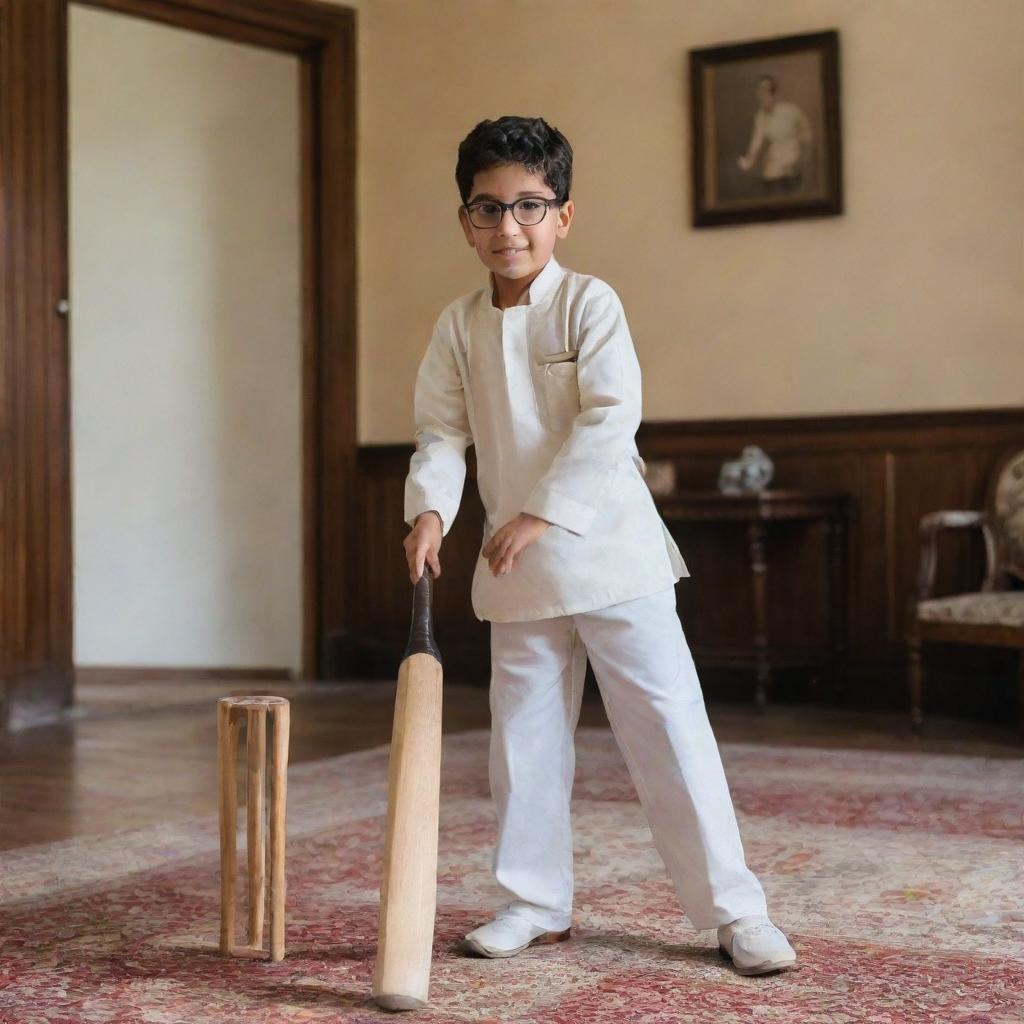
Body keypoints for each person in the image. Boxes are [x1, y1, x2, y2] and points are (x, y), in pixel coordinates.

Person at [402, 115, 797, 976]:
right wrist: (430, 512)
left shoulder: (591, 303)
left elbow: (611, 418)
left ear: (563, 216)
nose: (508, 227)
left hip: (611, 555)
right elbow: (440, 433)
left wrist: (541, 514)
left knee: (666, 726)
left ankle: (736, 912)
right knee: (524, 736)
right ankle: (534, 900)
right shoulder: (457, 325)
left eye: (529, 206)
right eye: (487, 208)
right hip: (515, 570)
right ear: (465, 218)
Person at [737, 75, 813, 195]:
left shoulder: (791, 110)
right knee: (771, 189)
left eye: (767, 92)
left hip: (793, 163)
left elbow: (806, 134)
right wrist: (748, 160)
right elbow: (756, 141)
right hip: (774, 165)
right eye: (760, 93)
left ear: (775, 94)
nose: (763, 97)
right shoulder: (760, 116)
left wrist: (801, 159)